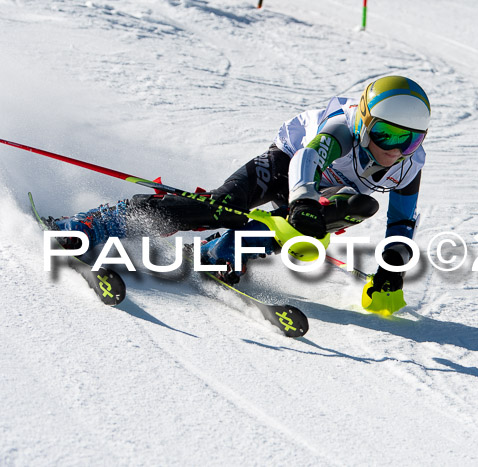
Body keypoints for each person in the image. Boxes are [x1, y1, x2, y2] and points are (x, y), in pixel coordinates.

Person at [47, 75, 431, 313]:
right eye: (386, 134)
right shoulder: (342, 130)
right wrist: (303, 199)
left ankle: (222, 254)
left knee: (352, 209)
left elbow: (401, 219)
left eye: (409, 140)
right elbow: (309, 157)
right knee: (223, 207)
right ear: (365, 120)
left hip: (322, 191)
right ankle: (97, 223)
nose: (395, 149)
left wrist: (391, 270)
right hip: (289, 164)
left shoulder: (408, 165)